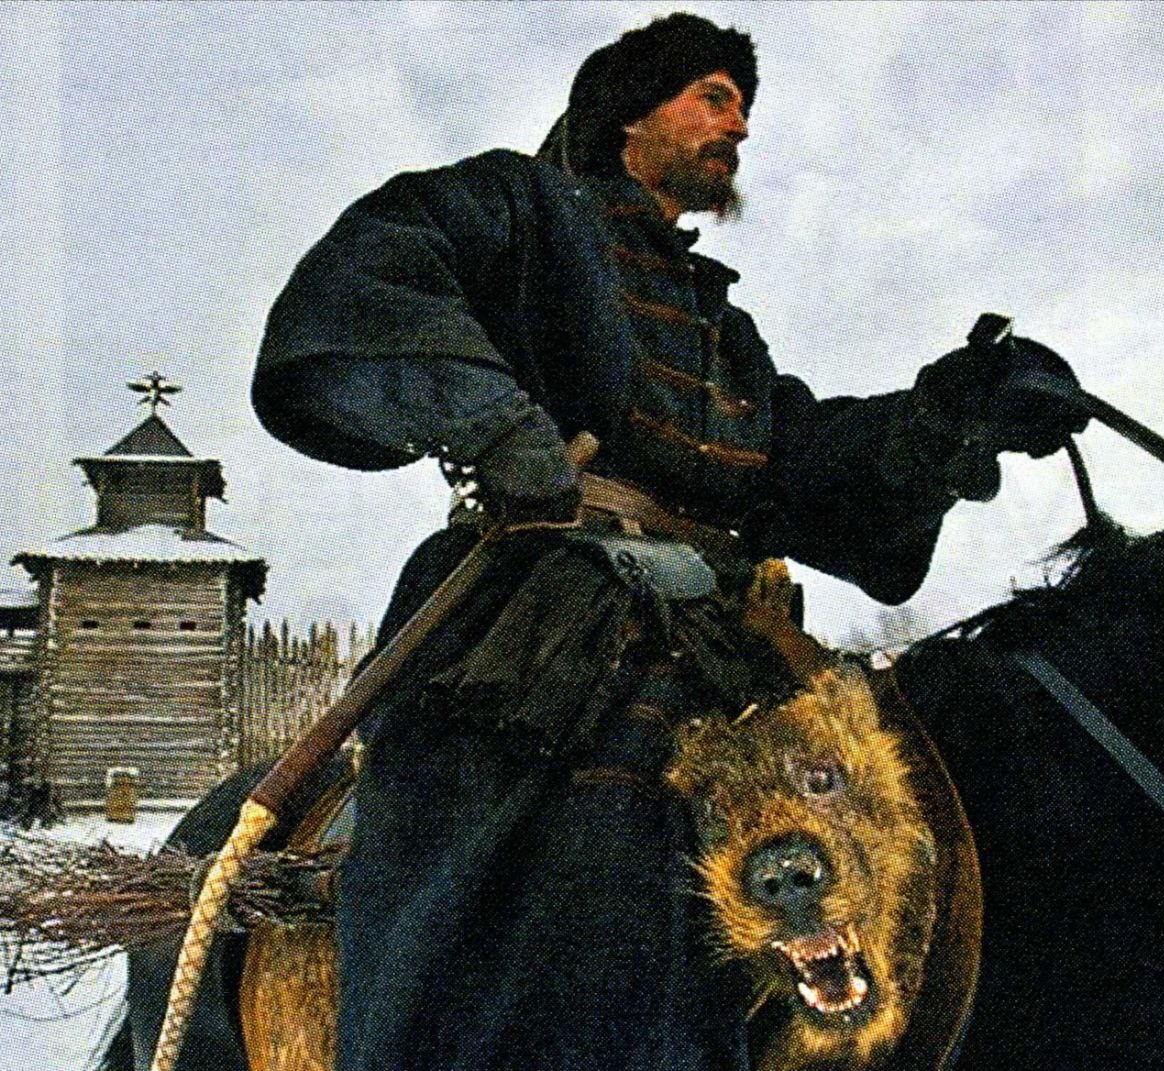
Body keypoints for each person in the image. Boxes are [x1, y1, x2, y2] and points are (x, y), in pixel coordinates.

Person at [251, 13, 1086, 1071]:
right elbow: (375, 272)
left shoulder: (720, 329)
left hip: (715, 635)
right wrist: (493, 422)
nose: (738, 125)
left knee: (901, 833)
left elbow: (794, 461)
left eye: (743, 106)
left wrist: (947, 416)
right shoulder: (518, 207)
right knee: (573, 857)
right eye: (712, 96)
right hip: (540, 624)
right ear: (628, 114)